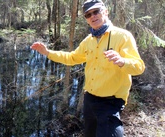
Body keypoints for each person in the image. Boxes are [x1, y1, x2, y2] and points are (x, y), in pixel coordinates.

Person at [30, 0, 145, 137]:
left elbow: (139, 67)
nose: (93, 16)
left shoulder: (122, 36)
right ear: (86, 19)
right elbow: (72, 58)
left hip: (111, 101)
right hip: (89, 99)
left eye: (96, 12)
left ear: (105, 12)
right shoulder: (88, 41)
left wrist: (122, 61)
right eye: (88, 15)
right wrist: (47, 52)